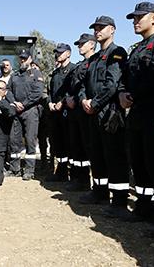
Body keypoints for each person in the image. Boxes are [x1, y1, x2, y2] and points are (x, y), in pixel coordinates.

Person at [119, 2, 154, 237]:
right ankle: (144, 206)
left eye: (139, 17)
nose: (135, 21)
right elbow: (126, 77)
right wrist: (122, 93)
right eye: (133, 18)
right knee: (139, 161)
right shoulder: (138, 48)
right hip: (137, 113)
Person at [78, 16, 130, 219]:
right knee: (96, 154)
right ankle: (99, 192)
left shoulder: (117, 53)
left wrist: (95, 103)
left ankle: (119, 201)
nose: (97, 31)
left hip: (109, 112)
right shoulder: (93, 59)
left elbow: (112, 84)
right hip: (92, 112)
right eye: (95, 28)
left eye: (102, 28)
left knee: (114, 156)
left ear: (112, 30)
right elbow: (82, 84)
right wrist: (84, 100)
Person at [64, 33, 96, 192]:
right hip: (75, 111)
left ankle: (87, 181)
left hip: (86, 109)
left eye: (82, 44)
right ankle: (79, 178)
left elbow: (87, 87)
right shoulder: (80, 65)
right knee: (77, 147)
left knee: (87, 147)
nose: (79, 46)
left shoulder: (95, 62)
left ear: (91, 44)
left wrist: (77, 100)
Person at [7, 49, 43, 180]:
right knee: (14, 141)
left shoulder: (36, 73)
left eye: (25, 58)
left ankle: (29, 170)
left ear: (30, 59)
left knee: (30, 141)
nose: (22, 60)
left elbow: (38, 92)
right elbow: (8, 91)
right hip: (17, 112)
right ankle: (14, 169)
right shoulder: (14, 75)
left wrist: (24, 104)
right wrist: (14, 102)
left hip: (30, 111)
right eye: (21, 58)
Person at [46, 43, 76, 182]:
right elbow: (51, 91)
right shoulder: (56, 72)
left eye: (60, 52)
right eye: (56, 52)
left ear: (68, 54)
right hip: (54, 112)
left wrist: (62, 102)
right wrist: (50, 102)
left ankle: (74, 174)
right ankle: (61, 172)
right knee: (57, 143)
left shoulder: (73, 69)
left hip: (67, 111)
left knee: (69, 141)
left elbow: (73, 90)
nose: (57, 55)